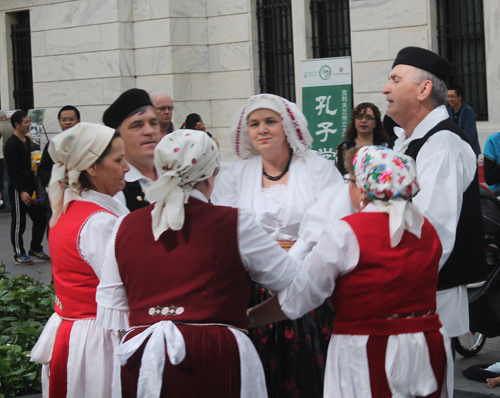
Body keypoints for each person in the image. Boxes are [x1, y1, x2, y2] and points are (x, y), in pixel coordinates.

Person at [95, 129, 301, 398]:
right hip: (215, 354)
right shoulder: (236, 222)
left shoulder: (124, 225)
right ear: (210, 174)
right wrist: (251, 317)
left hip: (142, 356)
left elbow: (113, 311)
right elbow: (297, 285)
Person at [248, 146, 453, 398]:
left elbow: (300, 297)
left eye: (351, 181)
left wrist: (251, 317)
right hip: (428, 344)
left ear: (363, 188)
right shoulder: (426, 229)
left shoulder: (345, 232)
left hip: (367, 347)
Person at [211, 93, 348, 398]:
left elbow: (332, 221)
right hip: (252, 288)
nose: (262, 129)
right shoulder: (236, 174)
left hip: (307, 283)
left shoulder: (317, 169)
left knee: (305, 371)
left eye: (270, 122)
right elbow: (224, 225)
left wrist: (292, 265)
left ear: (287, 126)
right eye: (254, 123)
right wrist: (263, 266)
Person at [382, 46, 488, 340]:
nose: (385, 88)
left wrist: (387, 286)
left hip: (425, 299)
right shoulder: (407, 141)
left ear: (424, 89)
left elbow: (430, 235)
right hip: (409, 296)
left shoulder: (442, 145)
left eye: (395, 79)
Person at [30, 122, 130, 398]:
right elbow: (124, 289)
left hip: (71, 331)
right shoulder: (99, 222)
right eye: (119, 160)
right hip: (98, 339)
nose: (127, 168)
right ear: (92, 167)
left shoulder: (68, 207)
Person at [104, 88, 161, 211]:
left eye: (153, 123)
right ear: (118, 135)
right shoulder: (116, 189)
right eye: (137, 125)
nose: (149, 131)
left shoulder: (175, 172)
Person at [4, 111, 48, 265]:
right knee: (19, 223)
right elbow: (11, 171)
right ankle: (19, 253)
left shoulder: (27, 141)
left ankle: (35, 248)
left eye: (30, 122)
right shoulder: (11, 144)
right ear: (17, 124)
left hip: (31, 188)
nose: (29, 124)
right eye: (26, 122)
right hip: (19, 190)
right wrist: (21, 191)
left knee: (41, 219)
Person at [37, 105, 81, 234]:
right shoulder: (53, 144)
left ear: (78, 121)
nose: (67, 123)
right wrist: (58, 181)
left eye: (71, 119)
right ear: (59, 122)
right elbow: (42, 170)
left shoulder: (86, 143)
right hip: (58, 197)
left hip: (81, 195)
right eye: (64, 120)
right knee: (55, 231)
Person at [335, 102, 389, 175]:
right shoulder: (343, 148)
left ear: (376, 123)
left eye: (369, 117)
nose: (363, 121)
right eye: (360, 117)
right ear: (354, 121)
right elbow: (339, 175)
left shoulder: (385, 147)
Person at [447, 85, 481, 156]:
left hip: (469, 151)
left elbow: (469, 135)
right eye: (448, 96)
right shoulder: (448, 111)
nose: (450, 99)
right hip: (453, 151)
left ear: (459, 97)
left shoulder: (469, 111)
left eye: (452, 96)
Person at [0, 111, 14, 212]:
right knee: (11, 179)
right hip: (12, 156)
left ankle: (7, 204)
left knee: (4, 181)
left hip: (2, 156)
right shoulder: (12, 126)